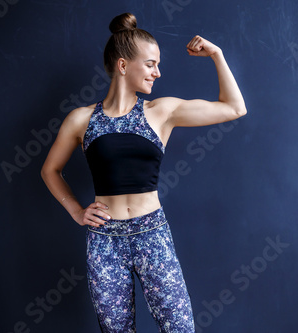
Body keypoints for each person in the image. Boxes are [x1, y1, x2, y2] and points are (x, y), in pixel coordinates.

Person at [41, 12, 246, 333]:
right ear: (123, 66)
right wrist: (76, 211)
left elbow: (235, 108)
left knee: (179, 328)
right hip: (104, 241)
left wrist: (217, 55)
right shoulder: (81, 119)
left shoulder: (161, 111)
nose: (158, 72)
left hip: (152, 235)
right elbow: (51, 170)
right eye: (151, 64)